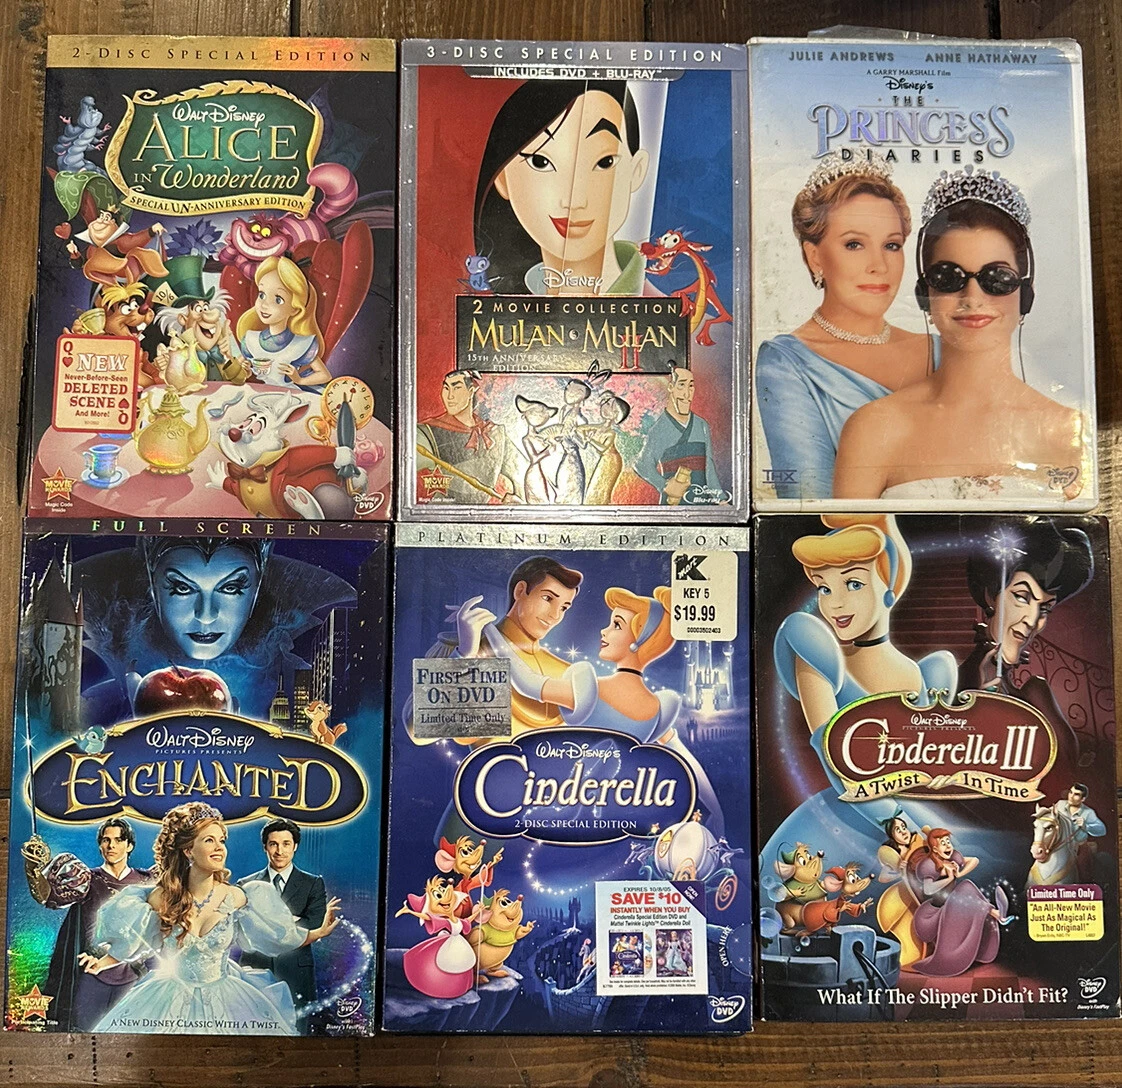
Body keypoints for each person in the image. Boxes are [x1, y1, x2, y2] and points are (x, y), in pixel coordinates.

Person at [834, 167, 1088, 501]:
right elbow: (847, 536)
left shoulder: (1069, 433)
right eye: (948, 277)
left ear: (1025, 294)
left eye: (997, 278)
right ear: (925, 293)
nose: (972, 297)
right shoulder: (873, 428)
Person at [755, 153, 931, 500]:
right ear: (815, 257)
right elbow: (809, 505)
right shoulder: (785, 364)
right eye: (854, 244)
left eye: (891, 245)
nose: (879, 265)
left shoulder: (937, 350)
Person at [82, 802, 339, 1035]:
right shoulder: (161, 898)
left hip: (227, 998)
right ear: (188, 850)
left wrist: (317, 933)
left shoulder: (238, 896)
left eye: (222, 841)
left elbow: (279, 937)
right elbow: (135, 941)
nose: (219, 848)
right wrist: (101, 963)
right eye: (209, 840)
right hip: (169, 998)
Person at [489, 583, 724, 835]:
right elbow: (687, 762)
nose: (604, 631)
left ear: (637, 643)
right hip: (613, 812)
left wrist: (490, 632)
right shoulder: (658, 708)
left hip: (566, 805)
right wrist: (717, 812)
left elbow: (526, 682)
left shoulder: (589, 690)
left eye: (616, 625)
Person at [76, 536, 355, 720]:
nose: (206, 616)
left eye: (231, 588)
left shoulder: (307, 690)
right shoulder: (102, 700)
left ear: (256, 589)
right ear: (153, 586)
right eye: (182, 588)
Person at [474, 79, 650, 296]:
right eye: (540, 162)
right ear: (502, 178)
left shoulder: (674, 311)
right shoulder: (493, 303)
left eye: (605, 162)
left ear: (636, 170)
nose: (574, 201)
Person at [959, 520, 1095, 776]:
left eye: (1045, 608)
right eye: (1022, 597)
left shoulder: (1033, 691)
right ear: (990, 595)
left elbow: (1066, 768)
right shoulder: (964, 678)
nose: (1032, 620)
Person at [428, 556, 584, 742]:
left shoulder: (564, 670)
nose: (555, 615)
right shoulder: (463, 648)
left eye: (564, 607)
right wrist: (465, 654)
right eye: (547, 598)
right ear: (520, 591)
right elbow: (417, 733)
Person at [21, 818, 155, 1031]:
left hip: (134, 975)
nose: (111, 846)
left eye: (118, 840)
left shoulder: (146, 881)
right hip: (90, 975)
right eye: (106, 840)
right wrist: (33, 867)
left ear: (129, 846)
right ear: (100, 845)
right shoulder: (87, 879)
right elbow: (46, 896)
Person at [237, 819, 327, 1016]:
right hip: (255, 968)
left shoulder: (312, 883)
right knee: (251, 1023)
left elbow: (314, 924)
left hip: (296, 970)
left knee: (298, 1026)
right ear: (265, 847)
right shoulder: (245, 885)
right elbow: (242, 928)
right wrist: (291, 922)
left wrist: (265, 924)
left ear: (295, 846)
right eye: (273, 844)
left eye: (286, 844)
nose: (280, 851)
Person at [908, 828, 1011, 977]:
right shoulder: (929, 864)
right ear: (935, 849)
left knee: (965, 887)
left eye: (948, 842)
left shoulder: (953, 858)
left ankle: (994, 914)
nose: (948, 846)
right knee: (964, 889)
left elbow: (974, 860)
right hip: (932, 915)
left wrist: (959, 873)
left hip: (954, 907)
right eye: (943, 843)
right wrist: (949, 878)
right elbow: (928, 890)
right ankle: (995, 913)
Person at [417, 370, 522, 503]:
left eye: (457, 388)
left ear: (471, 391)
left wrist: (519, 500)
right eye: (446, 388)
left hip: (483, 514)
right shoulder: (427, 431)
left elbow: (519, 471)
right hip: (443, 511)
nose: (450, 396)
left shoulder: (494, 432)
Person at [236, 256, 330, 387]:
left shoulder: (300, 344)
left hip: (289, 394)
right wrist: (244, 372)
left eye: (278, 299)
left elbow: (325, 375)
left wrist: (299, 380)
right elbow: (234, 372)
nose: (264, 304)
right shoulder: (252, 340)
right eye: (262, 295)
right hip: (261, 394)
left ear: (295, 309)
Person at [635, 365, 722, 504]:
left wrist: (721, 500)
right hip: (674, 505)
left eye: (691, 386)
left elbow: (709, 466)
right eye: (681, 385)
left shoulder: (701, 424)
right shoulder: (660, 428)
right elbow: (641, 464)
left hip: (701, 502)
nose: (687, 394)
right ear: (671, 387)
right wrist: (665, 485)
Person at [874, 812, 927, 969]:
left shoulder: (918, 842)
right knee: (909, 923)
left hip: (925, 889)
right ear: (892, 835)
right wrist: (899, 870)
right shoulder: (891, 852)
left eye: (903, 827)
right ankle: (912, 957)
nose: (903, 831)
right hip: (907, 893)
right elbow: (883, 877)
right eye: (898, 829)